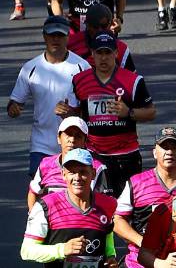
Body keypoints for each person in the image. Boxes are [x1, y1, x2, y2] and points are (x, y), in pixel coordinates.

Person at [61, 32, 156, 197]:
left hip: (126, 156)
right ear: (92, 54)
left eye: (108, 53)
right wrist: (66, 112)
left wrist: (129, 112)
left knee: (128, 205)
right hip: (94, 155)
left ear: (116, 53)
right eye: (99, 53)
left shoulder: (133, 81)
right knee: (98, 205)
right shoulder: (79, 80)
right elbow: (76, 114)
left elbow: (151, 112)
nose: (103, 58)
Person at [8, 15, 91, 176]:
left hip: (74, 144)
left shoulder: (82, 67)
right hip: (41, 145)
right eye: (52, 35)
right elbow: (15, 102)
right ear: (44, 36)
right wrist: (14, 109)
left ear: (67, 37)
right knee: (39, 193)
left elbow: (92, 111)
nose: (56, 39)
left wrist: (72, 113)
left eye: (60, 35)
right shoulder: (30, 68)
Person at [21, 148, 117, 266]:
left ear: (93, 173)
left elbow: (108, 238)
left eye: (83, 172)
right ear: (63, 174)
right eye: (72, 172)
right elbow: (27, 251)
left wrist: (111, 257)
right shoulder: (46, 206)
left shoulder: (107, 204)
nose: (77, 177)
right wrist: (62, 250)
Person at [114, 127, 176, 268]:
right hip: (139, 263)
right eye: (164, 147)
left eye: (175, 147)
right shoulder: (136, 183)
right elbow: (117, 220)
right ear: (154, 153)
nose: (169, 152)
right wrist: (142, 241)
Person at [28, 116, 109, 207]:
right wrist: (33, 218)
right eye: (68, 134)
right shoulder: (46, 164)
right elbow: (33, 192)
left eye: (78, 136)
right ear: (59, 138)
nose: (72, 140)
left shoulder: (97, 167)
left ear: (85, 141)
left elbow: (104, 202)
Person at [66, 4, 136, 71]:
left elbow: (132, 79)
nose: (100, 31)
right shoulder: (70, 43)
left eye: (104, 26)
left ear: (111, 24)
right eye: (95, 27)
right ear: (87, 25)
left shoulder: (121, 49)